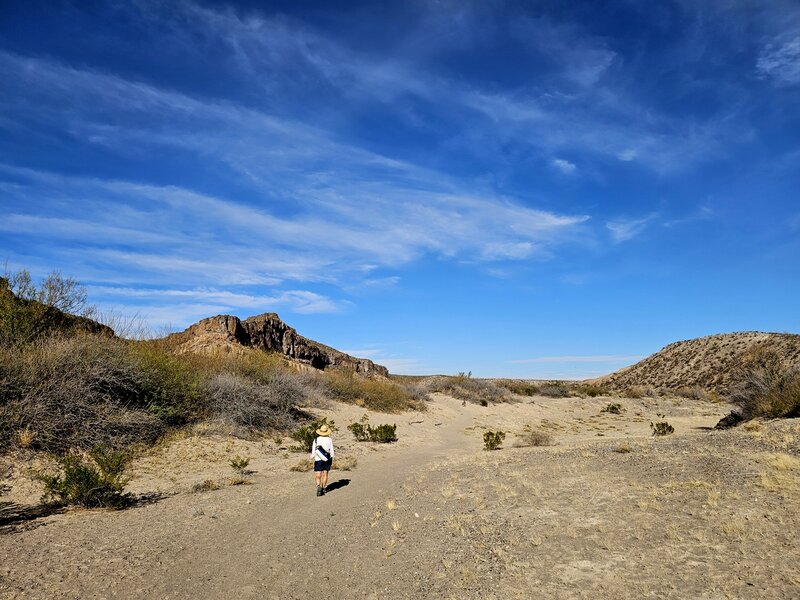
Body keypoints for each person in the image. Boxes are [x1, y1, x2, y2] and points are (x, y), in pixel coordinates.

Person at [311, 423, 335, 496]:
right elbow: (331, 450)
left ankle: (318, 486)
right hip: (327, 459)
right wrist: (332, 456)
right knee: (325, 474)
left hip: (318, 459)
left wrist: (312, 456)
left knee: (318, 474)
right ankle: (323, 488)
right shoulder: (329, 439)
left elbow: (313, 450)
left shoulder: (316, 440)